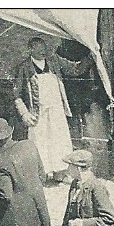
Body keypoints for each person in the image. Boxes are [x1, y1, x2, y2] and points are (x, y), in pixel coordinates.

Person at [11, 37, 92, 181]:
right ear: (30, 50)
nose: (43, 51)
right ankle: (41, 175)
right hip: (38, 112)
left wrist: (90, 56)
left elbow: (75, 69)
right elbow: (16, 94)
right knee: (39, 143)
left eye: (44, 47)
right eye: (38, 48)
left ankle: (60, 172)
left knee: (59, 141)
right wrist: (25, 114)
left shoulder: (54, 61)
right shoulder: (23, 68)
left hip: (56, 110)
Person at [51, 150, 114, 226]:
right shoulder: (75, 185)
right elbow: (68, 217)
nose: (67, 169)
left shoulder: (96, 187)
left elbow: (110, 219)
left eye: (70, 166)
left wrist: (82, 224)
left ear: (79, 168)